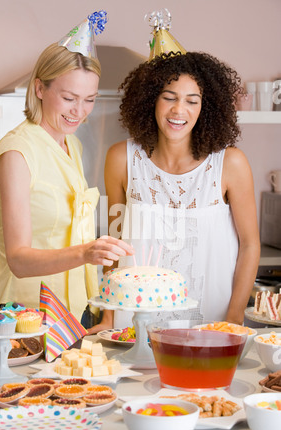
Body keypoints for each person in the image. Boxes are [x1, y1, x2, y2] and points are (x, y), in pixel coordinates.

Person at [90, 50, 260, 332]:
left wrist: (233, 318)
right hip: (133, 326)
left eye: (192, 101)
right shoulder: (121, 159)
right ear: (151, 100)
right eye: (169, 97)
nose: (178, 110)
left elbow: (250, 245)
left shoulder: (230, 164)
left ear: (206, 107)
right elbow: (115, 242)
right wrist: (108, 317)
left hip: (211, 325)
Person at [0, 29, 133, 326]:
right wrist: (86, 252)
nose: (79, 112)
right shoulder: (17, 152)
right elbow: (18, 259)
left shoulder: (71, 145)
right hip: (28, 315)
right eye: (69, 98)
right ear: (40, 88)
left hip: (77, 310)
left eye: (89, 100)